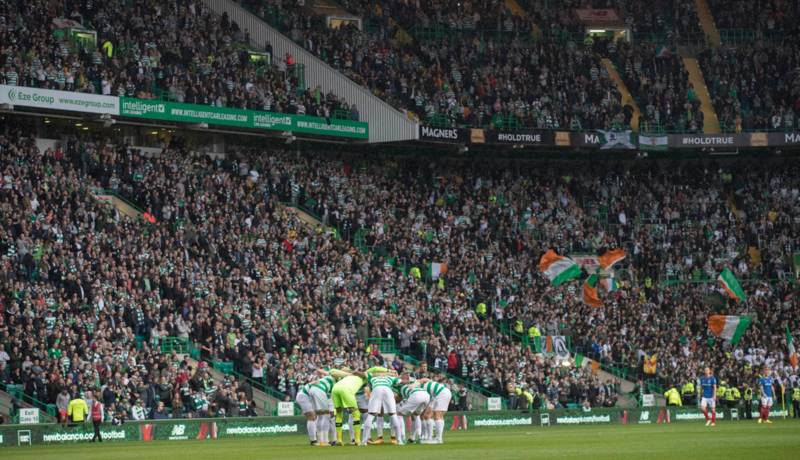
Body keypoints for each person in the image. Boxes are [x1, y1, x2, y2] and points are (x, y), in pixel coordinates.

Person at [363, 369, 404, 446]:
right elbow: (401, 381)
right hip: (388, 389)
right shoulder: (390, 378)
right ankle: (400, 440)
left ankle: (364, 441)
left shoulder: (372, 377)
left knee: (371, 415)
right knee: (393, 415)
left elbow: (365, 373)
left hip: (376, 389)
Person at [417, 378, 452, 444]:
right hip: (441, 393)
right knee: (437, 416)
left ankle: (438, 439)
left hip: (441, 393)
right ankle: (434, 437)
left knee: (437, 415)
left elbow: (424, 379)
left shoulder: (420, 387)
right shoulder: (424, 386)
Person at [397, 377, 430, 444]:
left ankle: (401, 437)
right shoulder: (415, 384)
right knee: (415, 415)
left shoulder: (401, 388)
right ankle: (415, 437)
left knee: (398, 414)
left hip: (416, 395)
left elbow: (398, 400)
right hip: (426, 395)